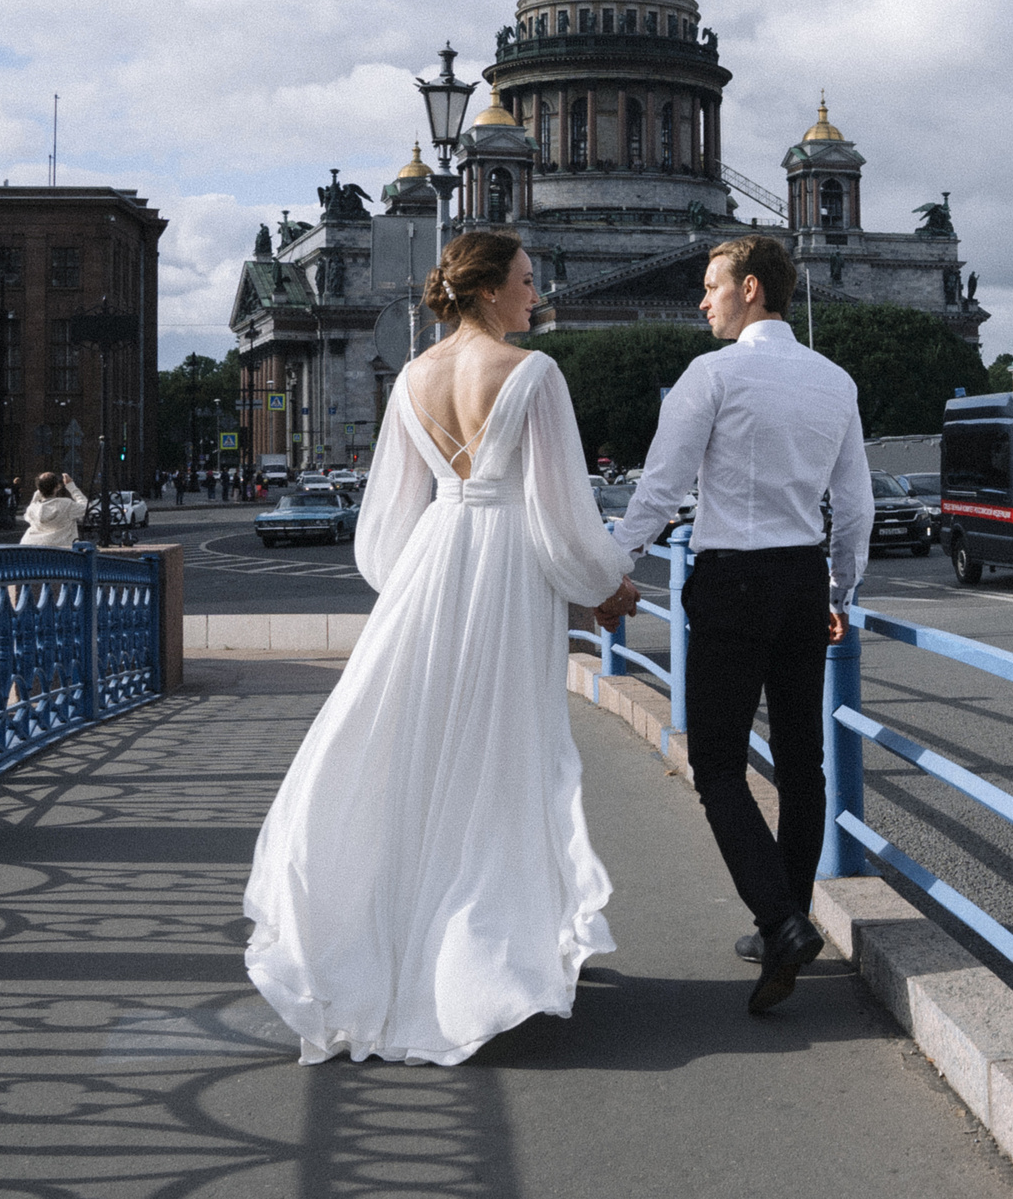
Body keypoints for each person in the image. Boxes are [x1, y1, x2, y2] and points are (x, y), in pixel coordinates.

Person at [244, 230, 640, 1067]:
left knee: (414, 754)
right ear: (491, 289)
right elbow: (563, 512)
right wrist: (608, 580)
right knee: (503, 755)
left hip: (433, 562)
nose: (536, 295)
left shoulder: (412, 379)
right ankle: (484, 958)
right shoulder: (534, 373)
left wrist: (416, 588)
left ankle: (396, 947)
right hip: (505, 573)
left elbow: (385, 520)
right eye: (528, 281)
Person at [611, 234, 873, 1015]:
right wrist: (842, 587)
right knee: (803, 761)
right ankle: (788, 918)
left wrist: (607, 566)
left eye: (711, 285)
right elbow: (854, 507)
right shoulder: (835, 380)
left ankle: (779, 921)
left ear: (750, 288)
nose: (702, 299)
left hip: (730, 582)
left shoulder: (712, 375)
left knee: (718, 764)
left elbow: (659, 494)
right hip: (800, 580)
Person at [20, 471, 89, 548]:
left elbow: (30, 508)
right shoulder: (66, 505)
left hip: (30, 549)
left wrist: (41, 488)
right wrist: (71, 486)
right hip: (61, 552)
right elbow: (86, 507)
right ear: (57, 487)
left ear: (38, 489)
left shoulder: (32, 508)